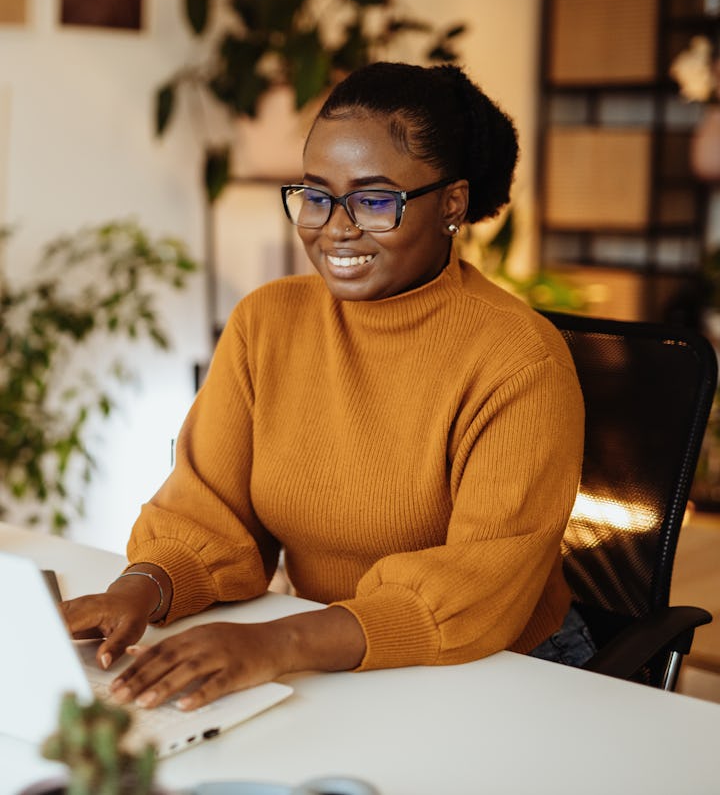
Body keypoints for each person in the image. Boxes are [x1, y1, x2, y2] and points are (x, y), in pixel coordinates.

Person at [62, 61, 593, 713]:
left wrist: (274, 644)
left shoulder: (518, 359)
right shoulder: (267, 322)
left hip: (504, 667)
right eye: (316, 195)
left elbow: (477, 588)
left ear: (451, 203)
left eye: (373, 200)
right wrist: (137, 590)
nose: (335, 228)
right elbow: (206, 513)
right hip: (338, 650)